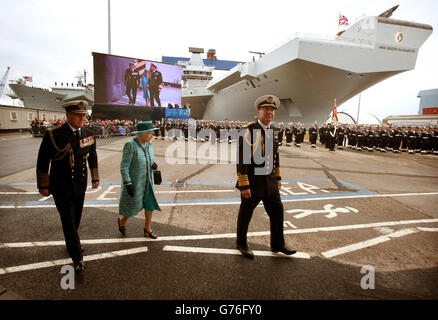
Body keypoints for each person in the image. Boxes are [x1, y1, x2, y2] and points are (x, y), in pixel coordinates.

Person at [36, 100, 99, 273]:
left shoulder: (88, 133)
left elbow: (92, 155)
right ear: (68, 115)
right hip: (60, 186)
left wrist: (95, 177)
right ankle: (77, 256)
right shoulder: (53, 134)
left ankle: (73, 242)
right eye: (78, 115)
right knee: (68, 220)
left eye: (84, 115)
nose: (82, 118)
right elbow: (43, 160)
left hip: (80, 184)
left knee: (76, 217)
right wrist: (43, 185)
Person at [235, 95, 297, 259]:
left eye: (272, 110)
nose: (269, 112)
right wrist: (244, 185)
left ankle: (278, 244)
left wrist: (278, 177)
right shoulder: (249, 130)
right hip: (253, 182)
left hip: (270, 182)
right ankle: (241, 243)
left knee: (277, 212)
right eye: (266, 109)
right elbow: (242, 159)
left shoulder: (274, 131)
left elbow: (275, 157)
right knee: (246, 214)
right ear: (259, 111)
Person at [118, 121, 161, 238]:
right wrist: (128, 183)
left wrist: (153, 164)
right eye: (149, 133)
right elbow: (124, 166)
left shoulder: (149, 144)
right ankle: (121, 222)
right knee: (132, 207)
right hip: (135, 183)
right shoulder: (130, 145)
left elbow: (150, 158)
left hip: (148, 181)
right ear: (142, 134)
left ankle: (147, 228)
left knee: (150, 204)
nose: (152, 135)